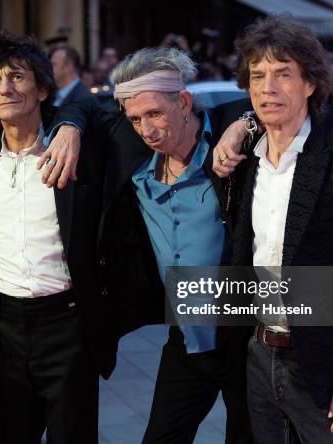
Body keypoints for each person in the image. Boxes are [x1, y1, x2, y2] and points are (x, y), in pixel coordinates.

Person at [54, 46, 254, 443]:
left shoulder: (231, 135)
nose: (146, 129)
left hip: (245, 338)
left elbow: (319, 114)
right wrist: (70, 128)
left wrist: (247, 123)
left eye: (155, 114)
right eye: (135, 118)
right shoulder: (132, 149)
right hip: (185, 338)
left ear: (183, 102)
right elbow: (83, 108)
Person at [214, 15, 333, 443]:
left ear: (310, 84)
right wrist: (240, 126)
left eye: (282, 74)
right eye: (257, 76)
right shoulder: (245, 164)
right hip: (258, 355)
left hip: (324, 366)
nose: (267, 88)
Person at [0, 31, 113, 444]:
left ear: (44, 88)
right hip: (5, 329)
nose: (5, 87)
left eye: (17, 76)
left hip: (68, 323)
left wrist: (70, 122)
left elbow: (97, 106)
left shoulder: (74, 149)